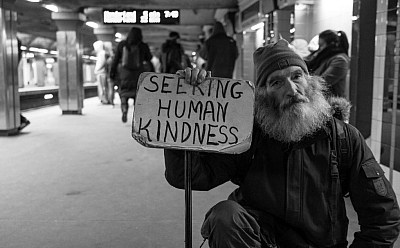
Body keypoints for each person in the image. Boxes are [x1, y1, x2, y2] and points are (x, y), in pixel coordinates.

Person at [164, 39, 400, 247]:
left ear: (311, 81)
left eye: (297, 76)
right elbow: (191, 176)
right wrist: (183, 111)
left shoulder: (344, 138)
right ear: (264, 94)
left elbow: (382, 216)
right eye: (276, 83)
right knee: (225, 215)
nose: (292, 89)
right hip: (260, 241)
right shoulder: (248, 134)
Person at [109, 27, 153, 123]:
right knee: (137, 95)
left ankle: (124, 109)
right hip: (138, 74)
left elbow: (115, 60)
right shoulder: (142, 45)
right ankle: (137, 116)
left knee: (123, 93)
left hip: (124, 74)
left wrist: (112, 73)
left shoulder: (122, 45)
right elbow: (149, 58)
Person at [305, 30, 350, 98]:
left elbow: (322, 83)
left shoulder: (340, 60)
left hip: (331, 105)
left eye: (321, 45)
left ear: (331, 44)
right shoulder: (324, 57)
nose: (319, 49)